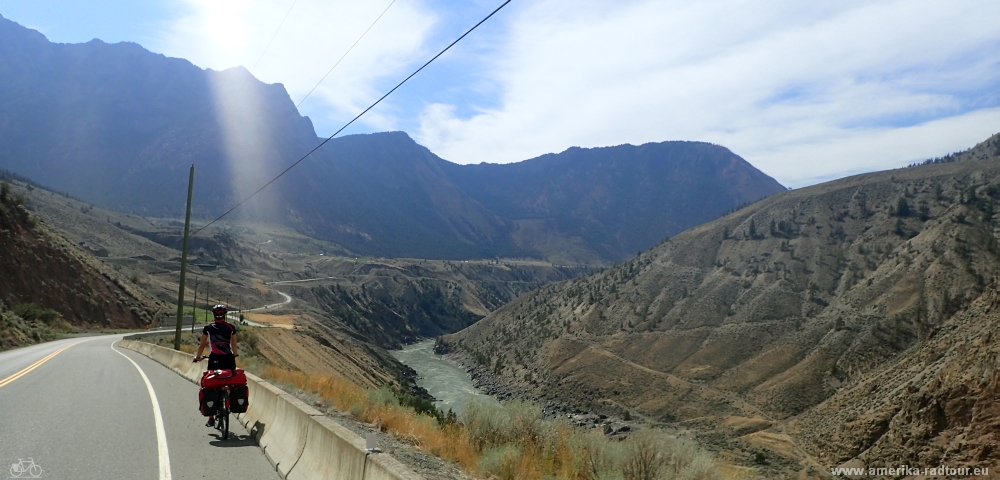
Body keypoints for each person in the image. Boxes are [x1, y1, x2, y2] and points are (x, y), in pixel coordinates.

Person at [194, 304, 239, 426]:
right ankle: (228, 399)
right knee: (229, 380)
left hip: (214, 359)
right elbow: (234, 345)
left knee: (210, 386)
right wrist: (235, 355)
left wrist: (197, 357)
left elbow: (202, 345)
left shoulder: (208, 328)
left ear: (214, 315)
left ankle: (211, 418)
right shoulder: (231, 327)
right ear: (225, 315)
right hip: (228, 359)